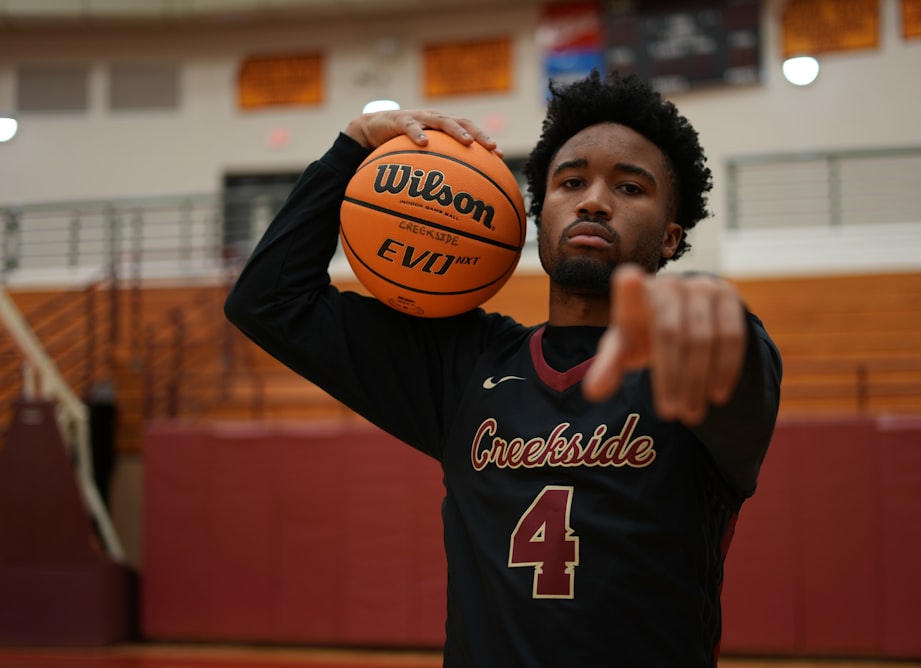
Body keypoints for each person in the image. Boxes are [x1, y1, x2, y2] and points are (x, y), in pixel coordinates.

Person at [225, 70, 781, 667]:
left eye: (630, 188)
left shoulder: (694, 357)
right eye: (571, 182)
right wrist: (353, 146)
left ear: (672, 237)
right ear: (540, 218)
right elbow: (268, 302)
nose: (594, 199)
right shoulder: (466, 365)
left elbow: (737, 371)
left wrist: (718, 318)